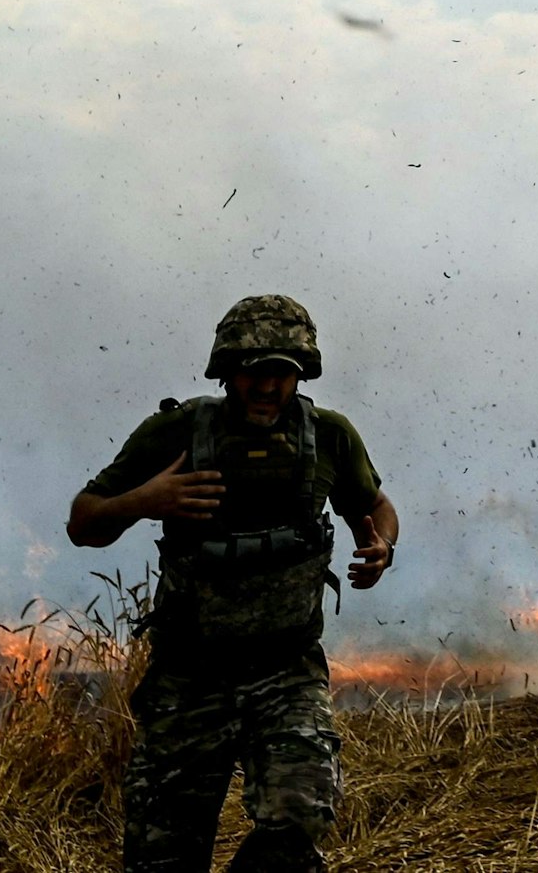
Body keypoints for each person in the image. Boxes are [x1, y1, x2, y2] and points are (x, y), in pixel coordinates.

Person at [67, 294, 398, 873]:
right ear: (226, 371)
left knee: (299, 820)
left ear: (301, 374)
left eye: (281, 372)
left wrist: (381, 548)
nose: (267, 386)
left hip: (287, 671)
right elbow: (83, 523)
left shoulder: (329, 436)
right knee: (162, 858)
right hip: (188, 677)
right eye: (253, 371)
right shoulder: (175, 433)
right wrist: (145, 501)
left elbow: (374, 507)